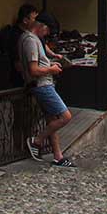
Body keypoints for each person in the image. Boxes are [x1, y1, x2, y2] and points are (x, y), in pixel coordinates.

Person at [18, 9, 73, 165]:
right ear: (42, 26)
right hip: (42, 85)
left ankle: (58, 156)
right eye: (47, 30)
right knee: (65, 117)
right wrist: (52, 69)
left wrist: (51, 63)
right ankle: (36, 141)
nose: (47, 34)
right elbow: (34, 69)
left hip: (44, 83)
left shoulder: (34, 39)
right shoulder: (30, 40)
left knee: (52, 120)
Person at [0, 0, 40, 89]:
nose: (36, 22)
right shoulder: (17, 37)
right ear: (25, 20)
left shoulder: (30, 33)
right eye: (34, 19)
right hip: (21, 81)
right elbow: (18, 64)